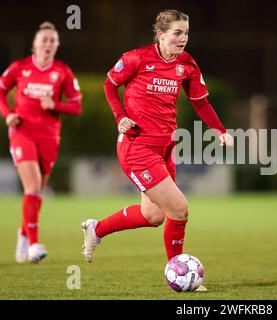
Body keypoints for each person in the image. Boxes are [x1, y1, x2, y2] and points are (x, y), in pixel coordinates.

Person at [81, 9, 232, 290]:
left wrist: (220, 131)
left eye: (186, 33)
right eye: (177, 33)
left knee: (153, 216)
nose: (183, 38)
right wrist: (119, 116)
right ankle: (179, 272)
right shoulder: (136, 58)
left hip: (165, 148)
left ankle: (96, 228)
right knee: (179, 209)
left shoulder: (187, 64)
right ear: (160, 34)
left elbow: (200, 102)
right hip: (137, 147)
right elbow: (110, 84)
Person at [0, 22, 82, 263]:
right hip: (22, 132)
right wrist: (8, 115)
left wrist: (55, 105)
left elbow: (77, 106)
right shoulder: (20, 67)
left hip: (49, 137)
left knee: (37, 192)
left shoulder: (63, 72)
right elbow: (1, 91)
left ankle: (23, 233)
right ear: (35, 44)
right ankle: (34, 244)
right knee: (34, 186)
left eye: (52, 40)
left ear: (56, 45)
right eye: (43, 39)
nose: (47, 44)